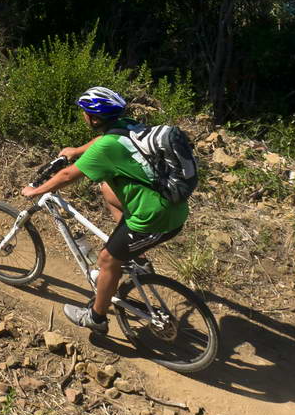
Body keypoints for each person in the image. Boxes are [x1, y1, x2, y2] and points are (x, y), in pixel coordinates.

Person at [20, 86, 188, 332]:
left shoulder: (106, 148)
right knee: (107, 187)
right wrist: (75, 151)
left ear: (94, 117)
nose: (82, 116)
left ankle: (96, 318)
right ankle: (136, 258)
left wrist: (35, 191)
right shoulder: (128, 126)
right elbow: (102, 140)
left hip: (155, 218)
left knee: (106, 259)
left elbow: (68, 175)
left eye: (84, 113)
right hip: (172, 206)